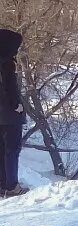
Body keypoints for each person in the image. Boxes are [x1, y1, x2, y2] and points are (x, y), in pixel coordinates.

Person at [0, 29, 27, 199]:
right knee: (12, 149)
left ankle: (2, 185)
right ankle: (12, 186)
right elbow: (10, 87)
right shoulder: (7, 63)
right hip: (8, 114)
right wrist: (17, 105)